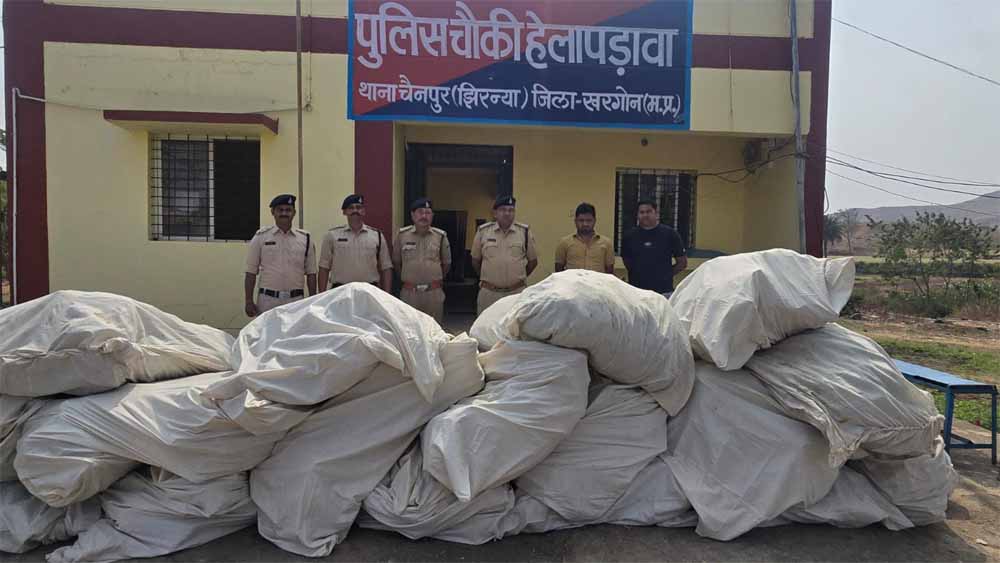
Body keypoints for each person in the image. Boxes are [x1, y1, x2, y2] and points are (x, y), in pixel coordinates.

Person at [244, 194, 318, 316]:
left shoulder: (306, 238)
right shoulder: (261, 237)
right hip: (268, 301)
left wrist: (312, 300)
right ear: (273, 212)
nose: (284, 213)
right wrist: (248, 301)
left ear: (294, 213)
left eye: (288, 210)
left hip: (296, 301)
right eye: (280, 210)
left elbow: (311, 273)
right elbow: (250, 272)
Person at [471, 195, 538, 315]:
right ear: (495, 213)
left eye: (511, 210)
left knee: (514, 326)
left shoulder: (524, 232)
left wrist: (518, 278)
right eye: (503, 210)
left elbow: (533, 262)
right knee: (486, 325)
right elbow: (475, 261)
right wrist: (489, 278)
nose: (507, 213)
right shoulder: (483, 231)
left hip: (515, 293)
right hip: (489, 294)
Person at [393, 198, 451, 323]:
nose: (424, 216)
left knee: (434, 329)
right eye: (420, 212)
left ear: (432, 216)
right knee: (410, 328)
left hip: (433, 293)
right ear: (412, 215)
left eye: (428, 212)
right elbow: (397, 263)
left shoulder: (440, 236)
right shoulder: (402, 235)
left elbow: (446, 264)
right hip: (410, 293)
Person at [318, 194, 392, 293]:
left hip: (369, 291)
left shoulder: (377, 236)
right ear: (344, 212)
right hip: (341, 291)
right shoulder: (332, 235)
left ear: (364, 211)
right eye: (351, 208)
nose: (355, 210)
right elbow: (324, 267)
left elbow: (386, 267)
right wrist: (322, 295)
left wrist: (386, 295)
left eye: (358, 207)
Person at [621, 199, 688, 297]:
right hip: (636, 292)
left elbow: (682, 263)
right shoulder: (629, 236)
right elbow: (627, 261)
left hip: (664, 292)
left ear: (656, 214)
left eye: (649, 211)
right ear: (637, 215)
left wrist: (666, 275)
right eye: (642, 212)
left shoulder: (670, 234)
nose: (645, 215)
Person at [554, 202, 616, 274]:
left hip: (597, 281)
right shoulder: (564, 242)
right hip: (572, 281)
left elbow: (609, 271)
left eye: (589, 220)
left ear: (594, 221)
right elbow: (559, 270)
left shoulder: (606, 243)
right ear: (575, 221)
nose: (585, 224)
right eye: (581, 220)